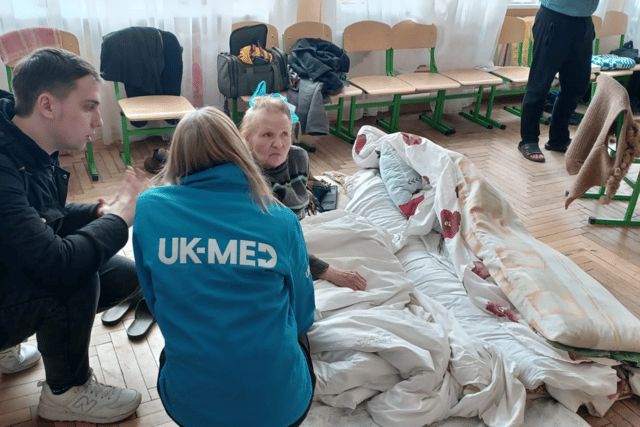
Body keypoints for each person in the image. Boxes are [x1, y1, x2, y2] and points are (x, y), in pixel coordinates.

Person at [132, 106, 316, 427]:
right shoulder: (281, 218)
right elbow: (303, 314)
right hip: (282, 409)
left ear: (177, 156)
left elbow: (155, 300)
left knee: (174, 348)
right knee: (296, 334)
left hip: (192, 409)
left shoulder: (148, 208)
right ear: (239, 149)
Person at [0, 48, 146, 423]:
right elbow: (57, 263)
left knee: (122, 276)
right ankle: (67, 391)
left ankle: (8, 343)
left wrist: (98, 213)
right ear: (47, 105)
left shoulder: (24, 140)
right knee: (75, 271)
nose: (99, 121)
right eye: (89, 107)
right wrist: (120, 219)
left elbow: (41, 218)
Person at [240, 96, 367, 291]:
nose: (278, 143)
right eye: (267, 135)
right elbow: (273, 242)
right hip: (282, 244)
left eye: (285, 134)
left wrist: (322, 202)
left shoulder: (298, 156)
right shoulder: (246, 177)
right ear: (247, 140)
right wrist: (328, 272)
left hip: (304, 224)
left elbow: (310, 183)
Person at [517, 0, 599, 163]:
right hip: (554, 18)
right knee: (540, 85)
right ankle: (528, 140)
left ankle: (558, 139)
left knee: (576, 86)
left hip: (584, 22)